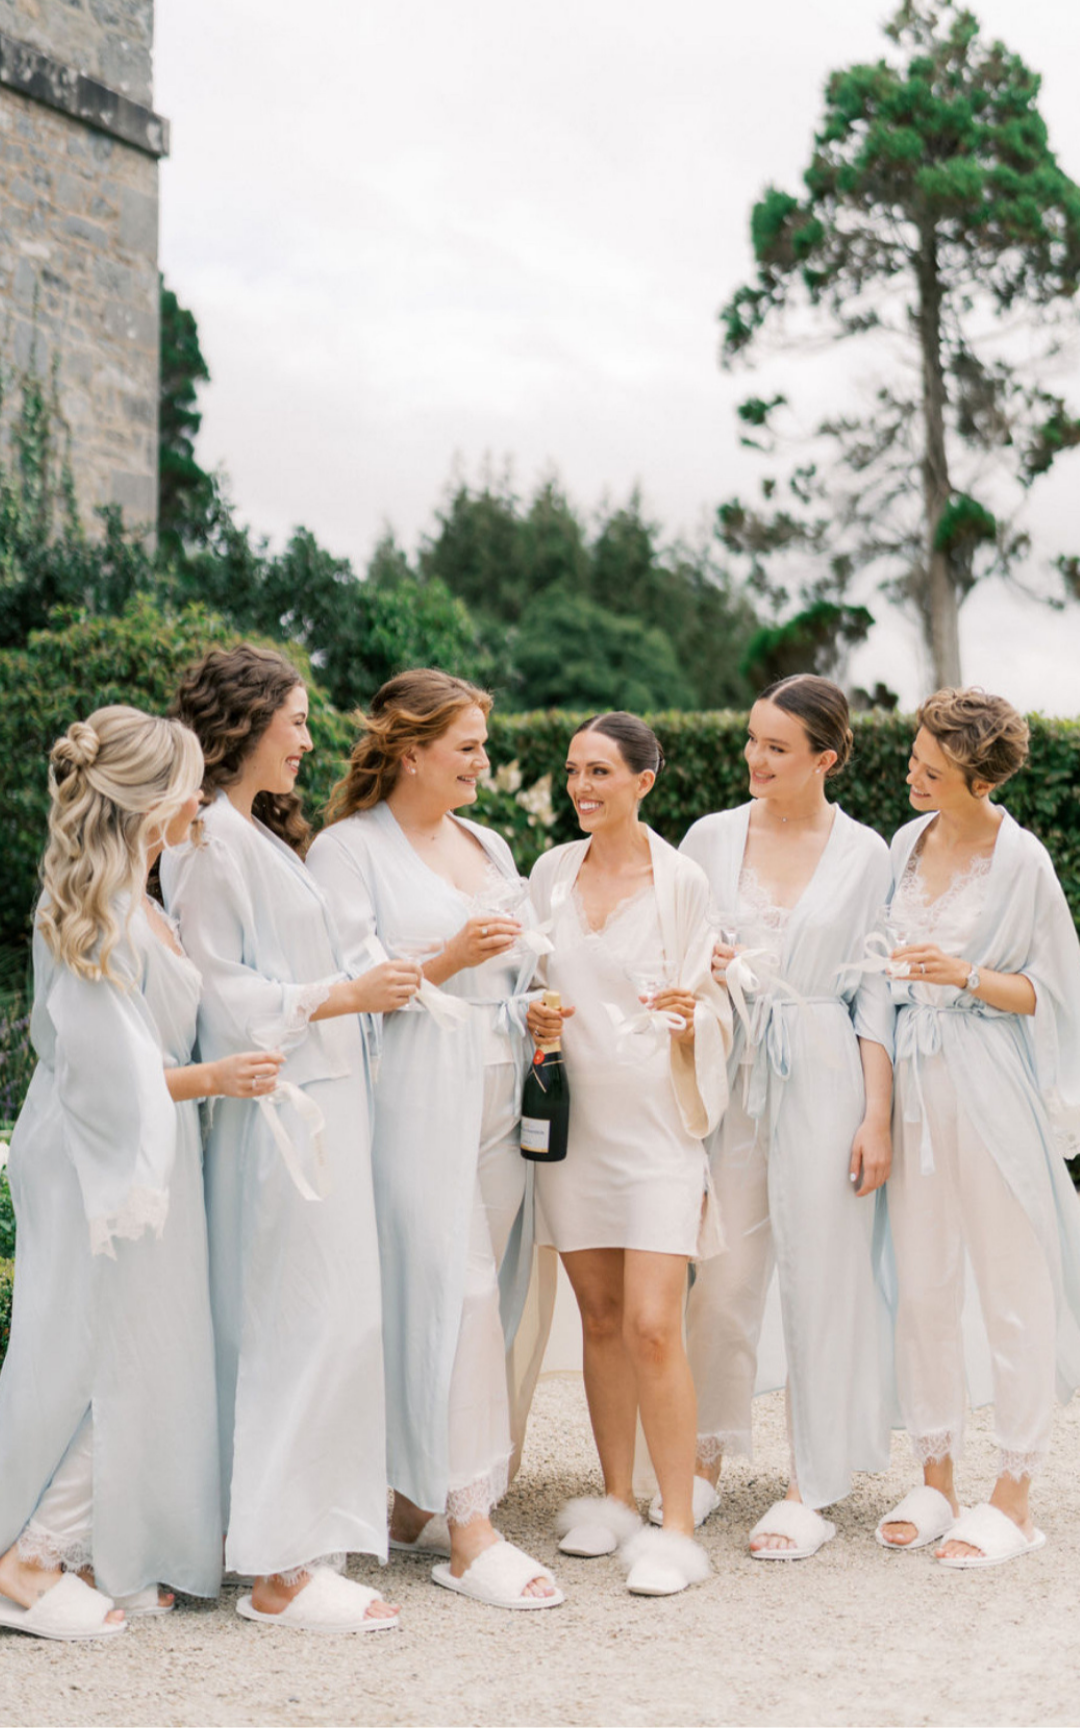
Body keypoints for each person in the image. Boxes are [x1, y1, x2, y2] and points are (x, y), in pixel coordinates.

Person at [0, 706, 277, 1641]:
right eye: (190, 779)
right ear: (153, 798)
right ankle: (29, 1558)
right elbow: (101, 1072)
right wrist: (217, 1079)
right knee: (103, 1348)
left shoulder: (145, 899)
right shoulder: (89, 912)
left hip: (157, 1145)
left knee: (144, 1346)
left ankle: (95, 1546)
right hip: (98, 1158)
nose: (201, 795)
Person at [163, 645, 419, 1633]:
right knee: (299, 1326)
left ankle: (299, 1539)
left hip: (320, 1105)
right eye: (298, 722)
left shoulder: (256, 836)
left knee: (331, 1320)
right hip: (279, 1120)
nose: (310, 741)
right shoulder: (210, 843)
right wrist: (345, 994)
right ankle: (279, 1569)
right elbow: (223, 1002)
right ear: (247, 724)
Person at [307, 669, 562, 1612]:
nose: (483, 762)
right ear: (410, 751)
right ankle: (472, 1528)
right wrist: (452, 958)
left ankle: (412, 1496)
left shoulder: (488, 840)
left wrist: (536, 1005)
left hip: (503, 1079)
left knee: (487, 1281)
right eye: (467, 747)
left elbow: (522, 956)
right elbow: (351, 979)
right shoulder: (346, 850)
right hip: (415, 1085)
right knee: (449, 1289)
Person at [679, 674, 894, 1560]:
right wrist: (710, 960)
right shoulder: (709, 835)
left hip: (823, 1062)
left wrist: (876, 1117)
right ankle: (705, 1454)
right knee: (722, 1269)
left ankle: (814, 1481)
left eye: (776, 747)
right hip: (731, 1064)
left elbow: (878, 990)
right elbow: (673, 948)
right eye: (752, 740)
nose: (754, 759)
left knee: (821, 1267)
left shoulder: (866, 853)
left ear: (825, 759)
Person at [527, 711, 731, 1597]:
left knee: (655, 1323)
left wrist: (695, 1020)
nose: (582, 787)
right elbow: (533, 983)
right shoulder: (548, 873)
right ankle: (614, 1498)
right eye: (574, 770)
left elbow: (714, 1002)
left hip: (657, 1131)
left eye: (601, 771)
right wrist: (533, 1016)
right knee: (600, 1319)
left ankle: (676, 1527)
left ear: (645, 781)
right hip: (578, 1131)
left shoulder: (683, 881)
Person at [877, 688, 1080, 1567]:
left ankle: (1015, 1494)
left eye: (929, 765)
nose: (912, 772)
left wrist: (962, 974)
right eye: (914, 757)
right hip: (914, 1079)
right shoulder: (903, 844)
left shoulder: (1022, 860)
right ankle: (935, 1474)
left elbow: (1049, 991)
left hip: (988, 1079)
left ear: (976, 773)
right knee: (921, 1280)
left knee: (1009, 1284)